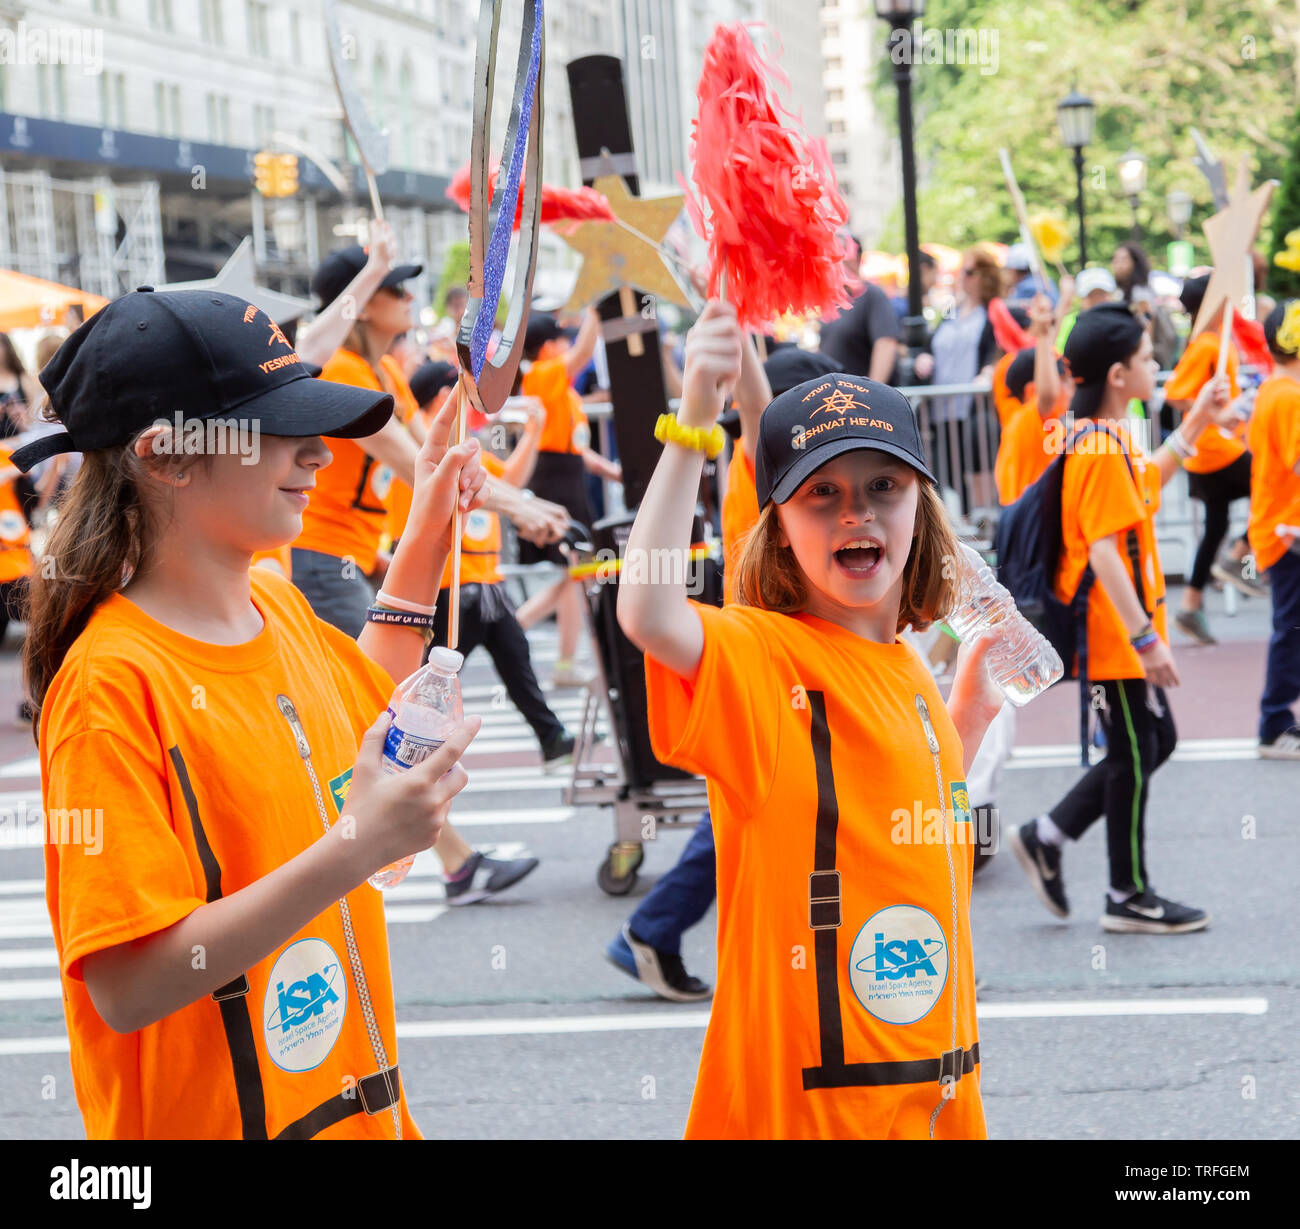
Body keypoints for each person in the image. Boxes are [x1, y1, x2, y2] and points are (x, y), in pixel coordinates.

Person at [14, 286, 488, 1138]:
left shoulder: (274, 599)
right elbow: (128, 987)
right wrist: (359, 844)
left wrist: (424, 530)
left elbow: (359, 711)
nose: (318, 454)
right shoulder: (109, 685)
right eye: (277, 428)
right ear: (167, 456)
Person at [618, 299, 1003, 1138]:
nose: (855, 511)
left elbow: (901, 834)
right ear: (781, 530)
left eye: (883, 486)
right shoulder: (766, 657)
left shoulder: (906, 666)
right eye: (820, 494)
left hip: (933, 1084)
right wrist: (693, 419)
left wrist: (963, 724)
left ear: (921, 509)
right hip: (815, 1106)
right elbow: (647, 609)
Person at [1007, 303, 1238, 934]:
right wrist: (1146, 640)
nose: (1154, 365)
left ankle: (1048, 836)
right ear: (1116, 374)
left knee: (1151, 745)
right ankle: (1126, 893)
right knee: (1137, 754)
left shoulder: (1102, 439)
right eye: (1144, 358)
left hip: (1118, 638)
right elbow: (1106, 552)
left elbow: (1149, 481)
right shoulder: (1101, 447)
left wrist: (1195, 420)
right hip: (1113, 640)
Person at [604, 332, 782, 1001]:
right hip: (757, 672)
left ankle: (653, 930)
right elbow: (764, 418)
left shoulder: (764, 474)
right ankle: (651, 928)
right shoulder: (759, 472)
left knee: (738, 824)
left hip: (774, 672)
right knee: (733, 821)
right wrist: (731, 363)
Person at [410, 360, 578, 771]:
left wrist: (534, 436)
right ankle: (414, 750)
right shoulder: (428, 450)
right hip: (451, 586)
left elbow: (509, 483)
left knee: (514, 656)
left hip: (487, 584)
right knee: (434, 678)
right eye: (462, 392)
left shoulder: (468, 445)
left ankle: (551, 736)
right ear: (441, 398)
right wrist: (526, 509)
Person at [514, 310, 622, 688]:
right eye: (563, 339)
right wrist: (595, 311)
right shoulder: (540, 374)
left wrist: (611, 472)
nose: (569, 346)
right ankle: (515, 629)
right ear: (548, 346)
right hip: (555, 481)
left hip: (569, 478)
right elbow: (582, 353)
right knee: (579, 572)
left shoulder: (565, 390)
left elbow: (578, 448)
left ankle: (563, 662)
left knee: (577, 574)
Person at [1163, 273, 1259, 646]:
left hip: (1212, 450)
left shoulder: (1215, 342)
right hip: (1214, 450)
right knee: (1280, 483)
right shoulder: (1205, 344)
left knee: (1215, 526)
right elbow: (1175, 392)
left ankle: (1189, 605)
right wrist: (1217, 416)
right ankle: (1239, 555)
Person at [1247, 301, 1300, 757]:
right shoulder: (1289, 396)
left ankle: (1277, 718)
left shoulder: (1276, 389)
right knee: (1292, 627)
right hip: (1289, 532)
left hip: (1282, 527)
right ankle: (1275, 722)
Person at [922, 243, 1003, 512]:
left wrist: (989, 371)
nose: (962, 278)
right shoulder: (950, 312)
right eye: (961, 272)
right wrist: (925, 358)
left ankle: (982, 526)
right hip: (942, 407)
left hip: (974, 408)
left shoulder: (993, 312)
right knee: (946, 472)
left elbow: (998, 351)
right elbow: (932, 344)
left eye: (968, 272)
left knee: (973, 467)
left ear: (984, 276)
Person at [817, 278, 901, 384]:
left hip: (859, 394)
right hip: (835, 393)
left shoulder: (871, 294)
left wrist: (872, 392)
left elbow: (886, 343)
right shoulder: (831, 297)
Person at [1112, 240, 1177, 370]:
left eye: (1123, 259)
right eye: (1115, 260)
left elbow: (1148, 326)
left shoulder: (1139, 294)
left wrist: (1146, 360)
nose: (1117, 264)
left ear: (1135, 263)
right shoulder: (1129, 292)